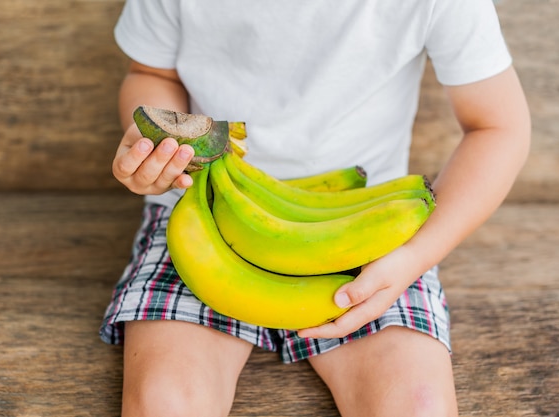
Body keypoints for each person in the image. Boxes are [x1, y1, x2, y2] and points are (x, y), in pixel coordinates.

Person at [100, 1, 531, 415]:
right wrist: (158, 146)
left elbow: (498, 127)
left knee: (417, 404)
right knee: (165, 400)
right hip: (200, 208)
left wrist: (414, 257)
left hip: (367, 227)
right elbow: (149, 73)